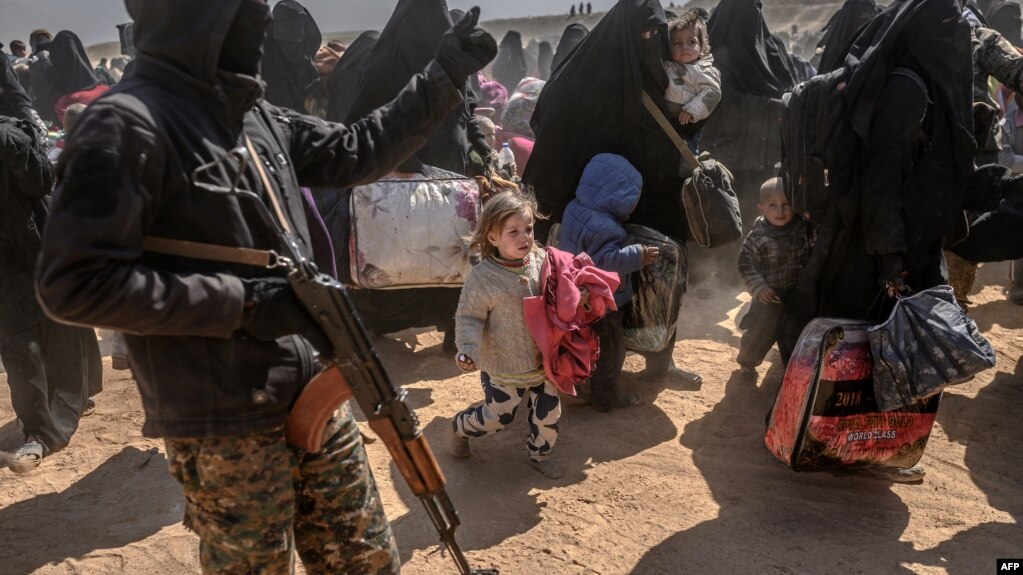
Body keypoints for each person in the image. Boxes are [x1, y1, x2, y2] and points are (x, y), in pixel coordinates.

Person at [34, 0, 496, 571]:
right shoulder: (126, 124)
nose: (257, 31)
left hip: (314, 388)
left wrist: (443, 76)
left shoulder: (253, 116)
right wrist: (245, 303)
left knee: (367, 560)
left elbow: (356, 150)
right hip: (223, 414)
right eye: (242, 15)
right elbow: (73, 283)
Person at [525, 0, 702, 387]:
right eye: (643, 35)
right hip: (598, 204)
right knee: (599, 288)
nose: (650, 43)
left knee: (667, 272)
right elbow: (552, 125)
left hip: (656, 197)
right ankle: (599, 372)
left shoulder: (666, 77)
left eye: (656, 36)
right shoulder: (589, 74)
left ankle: (660, 363)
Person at [450, 192, 564, 479]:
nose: (524, 237)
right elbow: (469, 317)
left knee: (548, 414)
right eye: (513, 231)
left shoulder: (542, 259)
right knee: (499, 417)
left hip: (544, 363)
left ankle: (541, 454)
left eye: (528, 229)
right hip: (503, 366)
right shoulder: (483, 277)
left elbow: (560, 294)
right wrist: (467, 350)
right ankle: (461, 427)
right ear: (492, 238)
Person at [559, 154, 655, 411]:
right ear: (617, 195)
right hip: (600, 302)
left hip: (575, 294)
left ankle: (579, 387)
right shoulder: (606, 228)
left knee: (581, 344)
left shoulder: (573, 208)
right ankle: (605, 397)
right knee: (611, 351)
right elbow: (604, 262)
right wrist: (639, 255)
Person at [736, 178, 813, 379]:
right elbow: (746, 264)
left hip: (795, 296)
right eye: (773, 205)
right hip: (768, 299)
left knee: (794, 335)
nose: (780, 211)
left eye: (786, 204)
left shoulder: (803, 229)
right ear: (761, 208)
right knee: (759, 335)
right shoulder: (758, 236)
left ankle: (792, 370)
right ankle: (747, 364)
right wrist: (759, 287)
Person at [663, 9, 721, 151]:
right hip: (667, 123)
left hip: (688, 124)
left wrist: (692, 110)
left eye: (691, 42)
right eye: (677, 43)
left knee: (686, 158)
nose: (684, 47)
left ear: (702, 47)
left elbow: (712, 93)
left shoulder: (703, 70)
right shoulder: (668, 65)